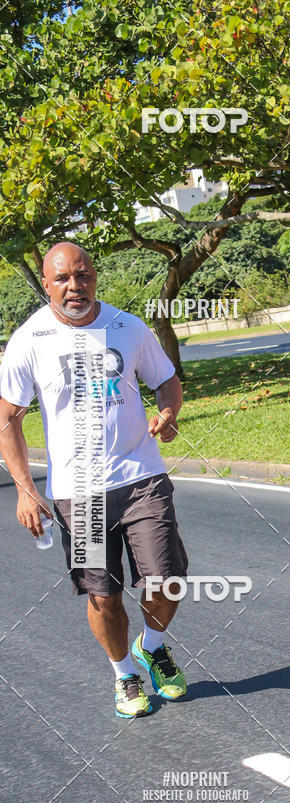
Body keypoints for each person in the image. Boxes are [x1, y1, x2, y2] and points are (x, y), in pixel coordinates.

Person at [0, 242, 189, 717]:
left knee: (166, 580)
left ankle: (155, 646)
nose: (74, 287)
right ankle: (125, 673)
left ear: (95, 276)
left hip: (141, 473)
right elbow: (8, 418)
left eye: (82, 275)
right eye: (62, 279)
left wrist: (168, 410)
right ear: (45, 285)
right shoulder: (29, 340)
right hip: (77, 492)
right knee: (102, 594)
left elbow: (166, 379)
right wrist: (26, 489)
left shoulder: (128, 327)